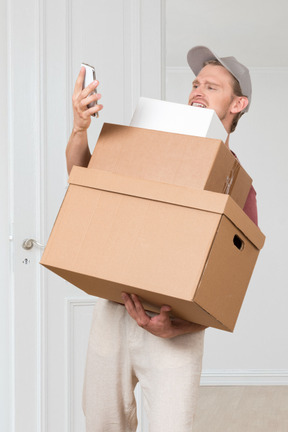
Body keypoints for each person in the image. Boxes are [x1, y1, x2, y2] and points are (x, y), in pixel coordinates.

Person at [66, 46, 258, 432]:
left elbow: (227, 287)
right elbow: (82, 183)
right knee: (101, 423)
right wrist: (80, 129)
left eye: (212, 86)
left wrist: (179, 328)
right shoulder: (150, 147)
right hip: (114, 308)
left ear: (238, 103)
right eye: (195, 84)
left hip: (175, 325)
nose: (197, 90)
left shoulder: (240, 187)